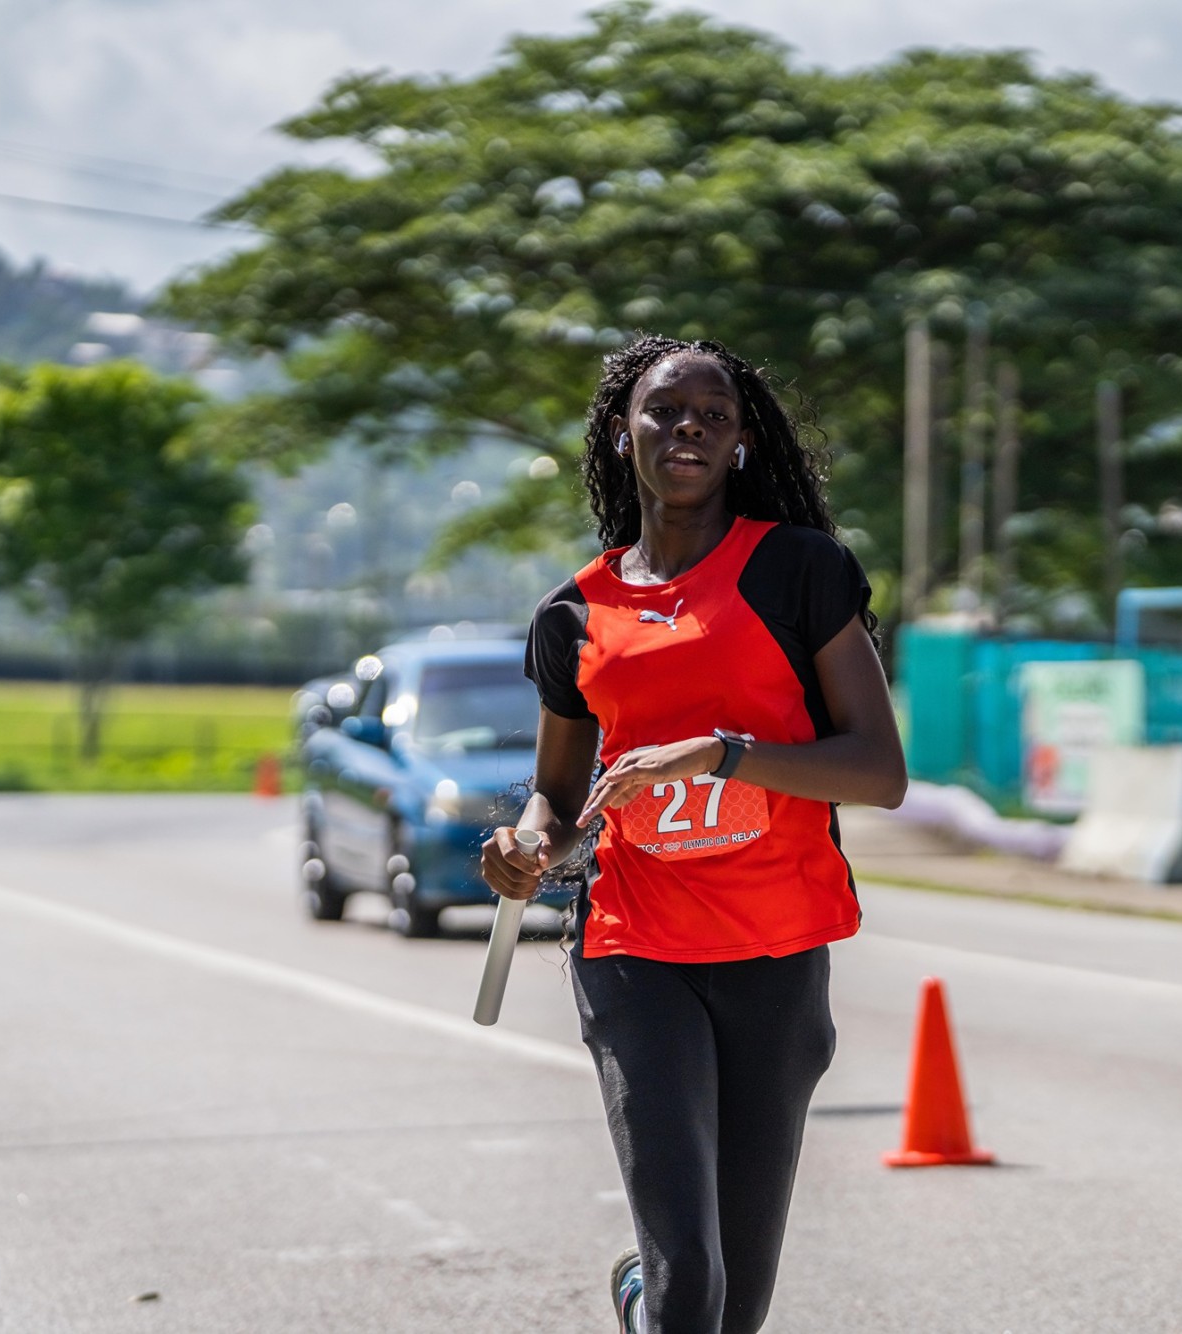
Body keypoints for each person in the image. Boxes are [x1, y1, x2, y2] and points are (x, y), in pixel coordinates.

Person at [480, 334, 907, 1333]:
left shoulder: (798, 571)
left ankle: (636, 1301)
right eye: (664, 411)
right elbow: (556, 797)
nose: (689, 429)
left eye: (713, 416)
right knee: (691, 1286)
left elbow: (876, 771)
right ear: (618, 432)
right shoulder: (572, 615)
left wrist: (720, 754)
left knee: (733, 1306)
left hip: (776, 948)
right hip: (635, 951)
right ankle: (658, 1297)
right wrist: (524, 846)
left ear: (741, 442)